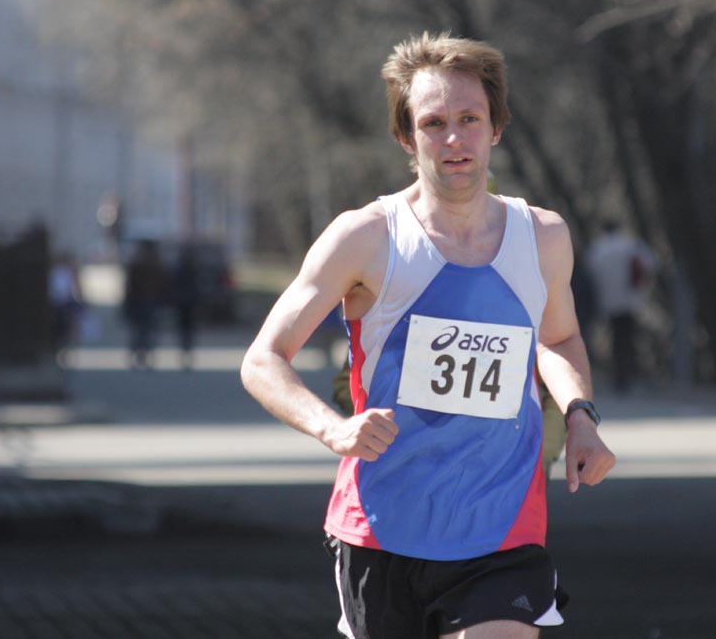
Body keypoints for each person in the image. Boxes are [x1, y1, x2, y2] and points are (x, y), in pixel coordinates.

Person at [241, 31, 615, 639]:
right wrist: (332, 428)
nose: (454, 139)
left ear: (496, 127)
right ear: (406, 137)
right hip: (384, 523)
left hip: (501, 523)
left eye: (469, 119)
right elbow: (263, 359)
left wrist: (580, 415)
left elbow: (558, 340)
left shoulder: (542, 237)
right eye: (434, 123)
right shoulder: (366, 237)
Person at [584, 219, 656, 394]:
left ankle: (619, 377)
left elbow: (590, 274)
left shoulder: (597, 249)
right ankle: (630, 375)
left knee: (615, 340)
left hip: (607, 302)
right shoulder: (631, 245)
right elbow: (651, 264)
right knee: (629, 338)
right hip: (631, 300)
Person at [122, 239, 168, 369]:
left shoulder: (139, 263)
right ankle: (145, 357)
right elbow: (163, 284)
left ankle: (139, 357)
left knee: (140, 331)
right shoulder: (156, 264)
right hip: (148, 301)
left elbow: (129, 285)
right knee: (147, 331)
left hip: (141, 301)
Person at [48, 252, 84, 366]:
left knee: (65, 329)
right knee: (61, 329)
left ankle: (64, 349)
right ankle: (61, 349)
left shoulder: (63, 272)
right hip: (59, 305)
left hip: (64, 304)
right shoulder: (57, 272)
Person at [171, 243, 200, 370]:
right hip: (187, 304)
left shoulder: (185, 271)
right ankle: (186, 353)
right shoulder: (191, 271)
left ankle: (185, 353)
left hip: (184, 304)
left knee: (185, 331)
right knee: (187, 331)